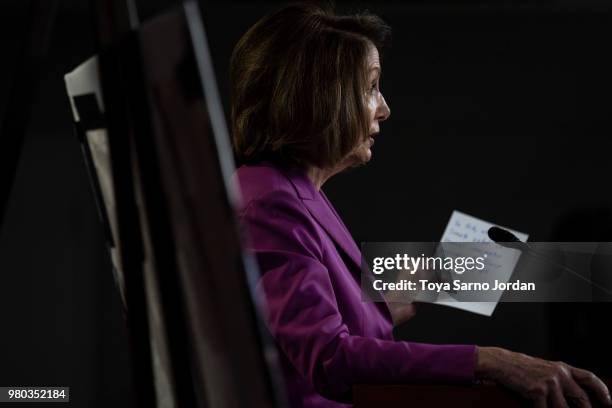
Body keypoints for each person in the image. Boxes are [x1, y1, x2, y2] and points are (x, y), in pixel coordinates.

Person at [229, 3, 611, 407]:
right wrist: (491, 360)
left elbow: (334, 323)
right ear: (321, 96)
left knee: (586, 271)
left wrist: (435, 279)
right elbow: (330, 359)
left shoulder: (289, 192)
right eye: (371, 87)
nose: (384, 109)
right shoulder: (269, 205)